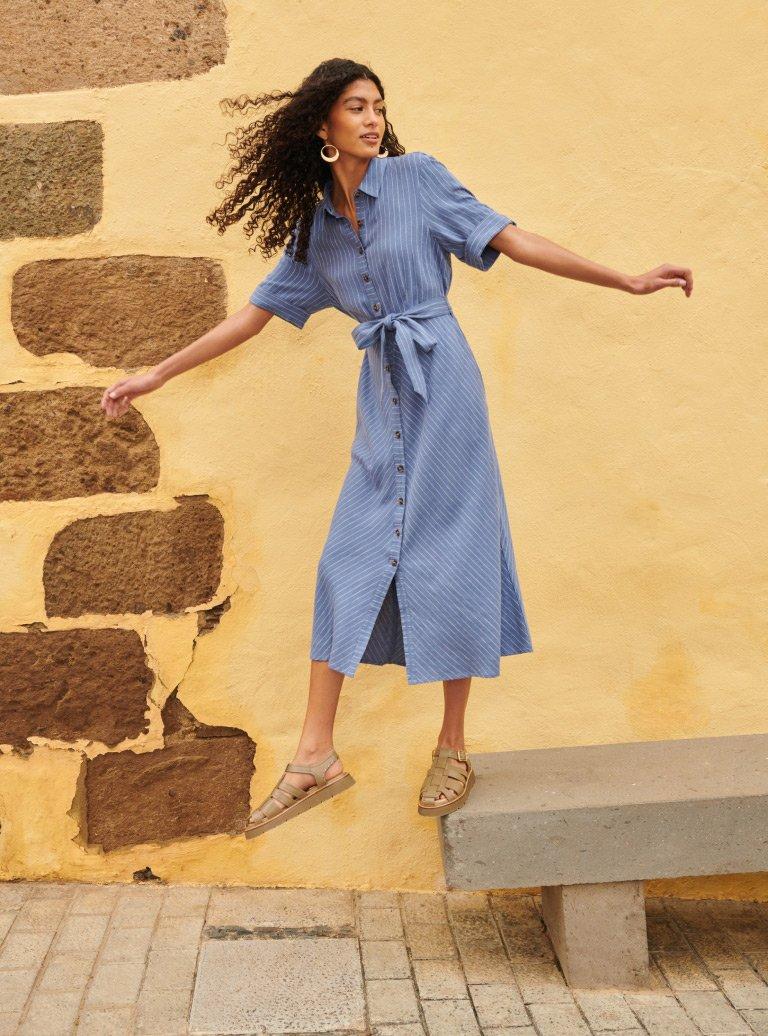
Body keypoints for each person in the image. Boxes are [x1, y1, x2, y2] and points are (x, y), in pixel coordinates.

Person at [101, 58, 693, 840]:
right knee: (346, 560)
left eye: (379, 106)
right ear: (323, 126)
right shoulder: (315, 229)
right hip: (381, 397)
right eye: (356, 107)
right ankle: (316, 756)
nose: (373, 118)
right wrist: (156, 373)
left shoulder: (419, 179)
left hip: (442, 385)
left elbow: (512, 240)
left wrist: (625, 280)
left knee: (452, 555)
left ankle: (453, 746)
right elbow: (250, 319)